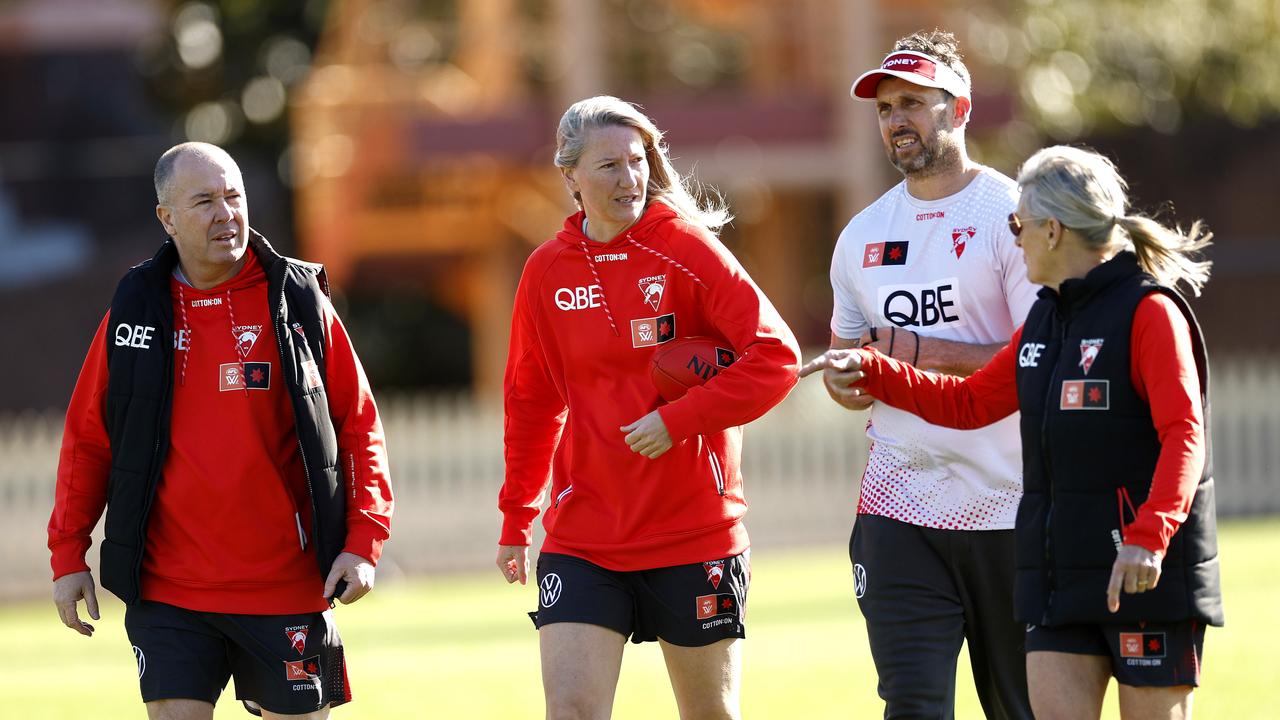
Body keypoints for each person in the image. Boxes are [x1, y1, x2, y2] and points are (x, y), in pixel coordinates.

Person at [801, 145, 1223, 719]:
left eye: (1017, 224)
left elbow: (1183, 434)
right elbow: (971, 404)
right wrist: (871, 367)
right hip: (1058, 573)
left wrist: (1150, 535)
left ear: (1052, 230)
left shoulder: (1149, 311)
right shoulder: (1047, 318)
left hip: (1145, 568)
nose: (1012, 237)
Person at [48, 142, 394, 720]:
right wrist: (67, 555)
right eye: (204, 200)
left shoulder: (298, 301)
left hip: (286, 584)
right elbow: (89, 439)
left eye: (234, 197)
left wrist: (364, 542)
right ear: (167, 218)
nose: (225, 214)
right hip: (169, 591)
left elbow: (358, 425)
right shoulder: (136, 309)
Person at [495, 95, 800, 719]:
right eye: (609, 165)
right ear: (569, 175)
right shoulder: (545, 271)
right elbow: (531, 402)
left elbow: (777, 357)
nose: (629, 178)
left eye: (638, 161)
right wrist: (516, 516)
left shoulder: (686, 249)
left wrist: (678, 420)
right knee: (571, 712)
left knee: (708, 715)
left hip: (692, 533)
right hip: (584, 538)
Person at [824, 29, 1038, 718]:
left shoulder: (1015, 216)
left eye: (913, 102)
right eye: (885, 109)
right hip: (900, 506)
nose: (896, 121)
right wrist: (846, 378)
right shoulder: (861, 235)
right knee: (913, 706)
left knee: (1022, 706)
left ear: (959, 109)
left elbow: (1042, 357)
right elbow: (846, 377)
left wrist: (922, 350)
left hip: (1013, 504)